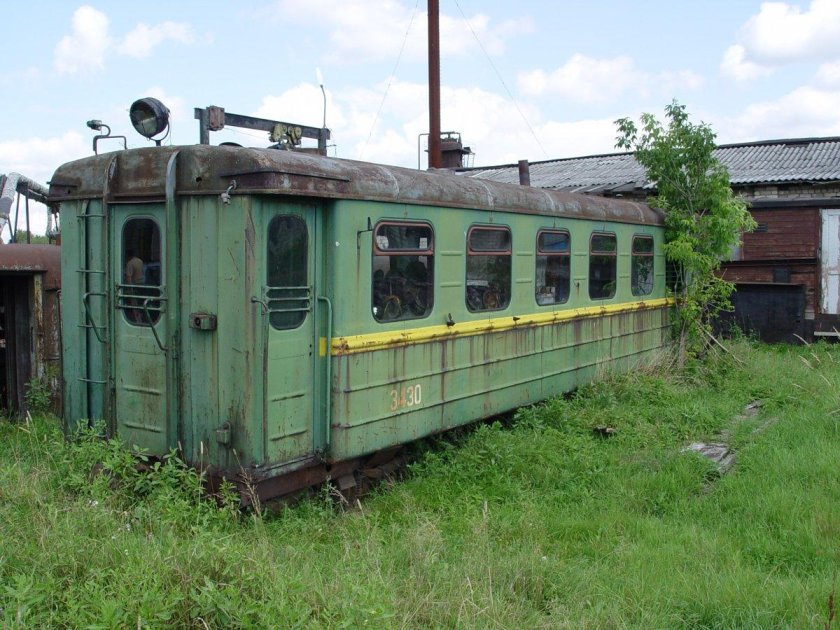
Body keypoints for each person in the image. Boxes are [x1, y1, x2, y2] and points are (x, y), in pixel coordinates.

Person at [124, 249, 144, 322]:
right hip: (142, 285)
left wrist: (130, 289)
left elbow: (128, 277)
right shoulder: (140, 261)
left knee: (134, 305)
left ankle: (138, 321)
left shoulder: (130, 263)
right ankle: (141, 319)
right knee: (140, 304)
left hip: (135, 286)